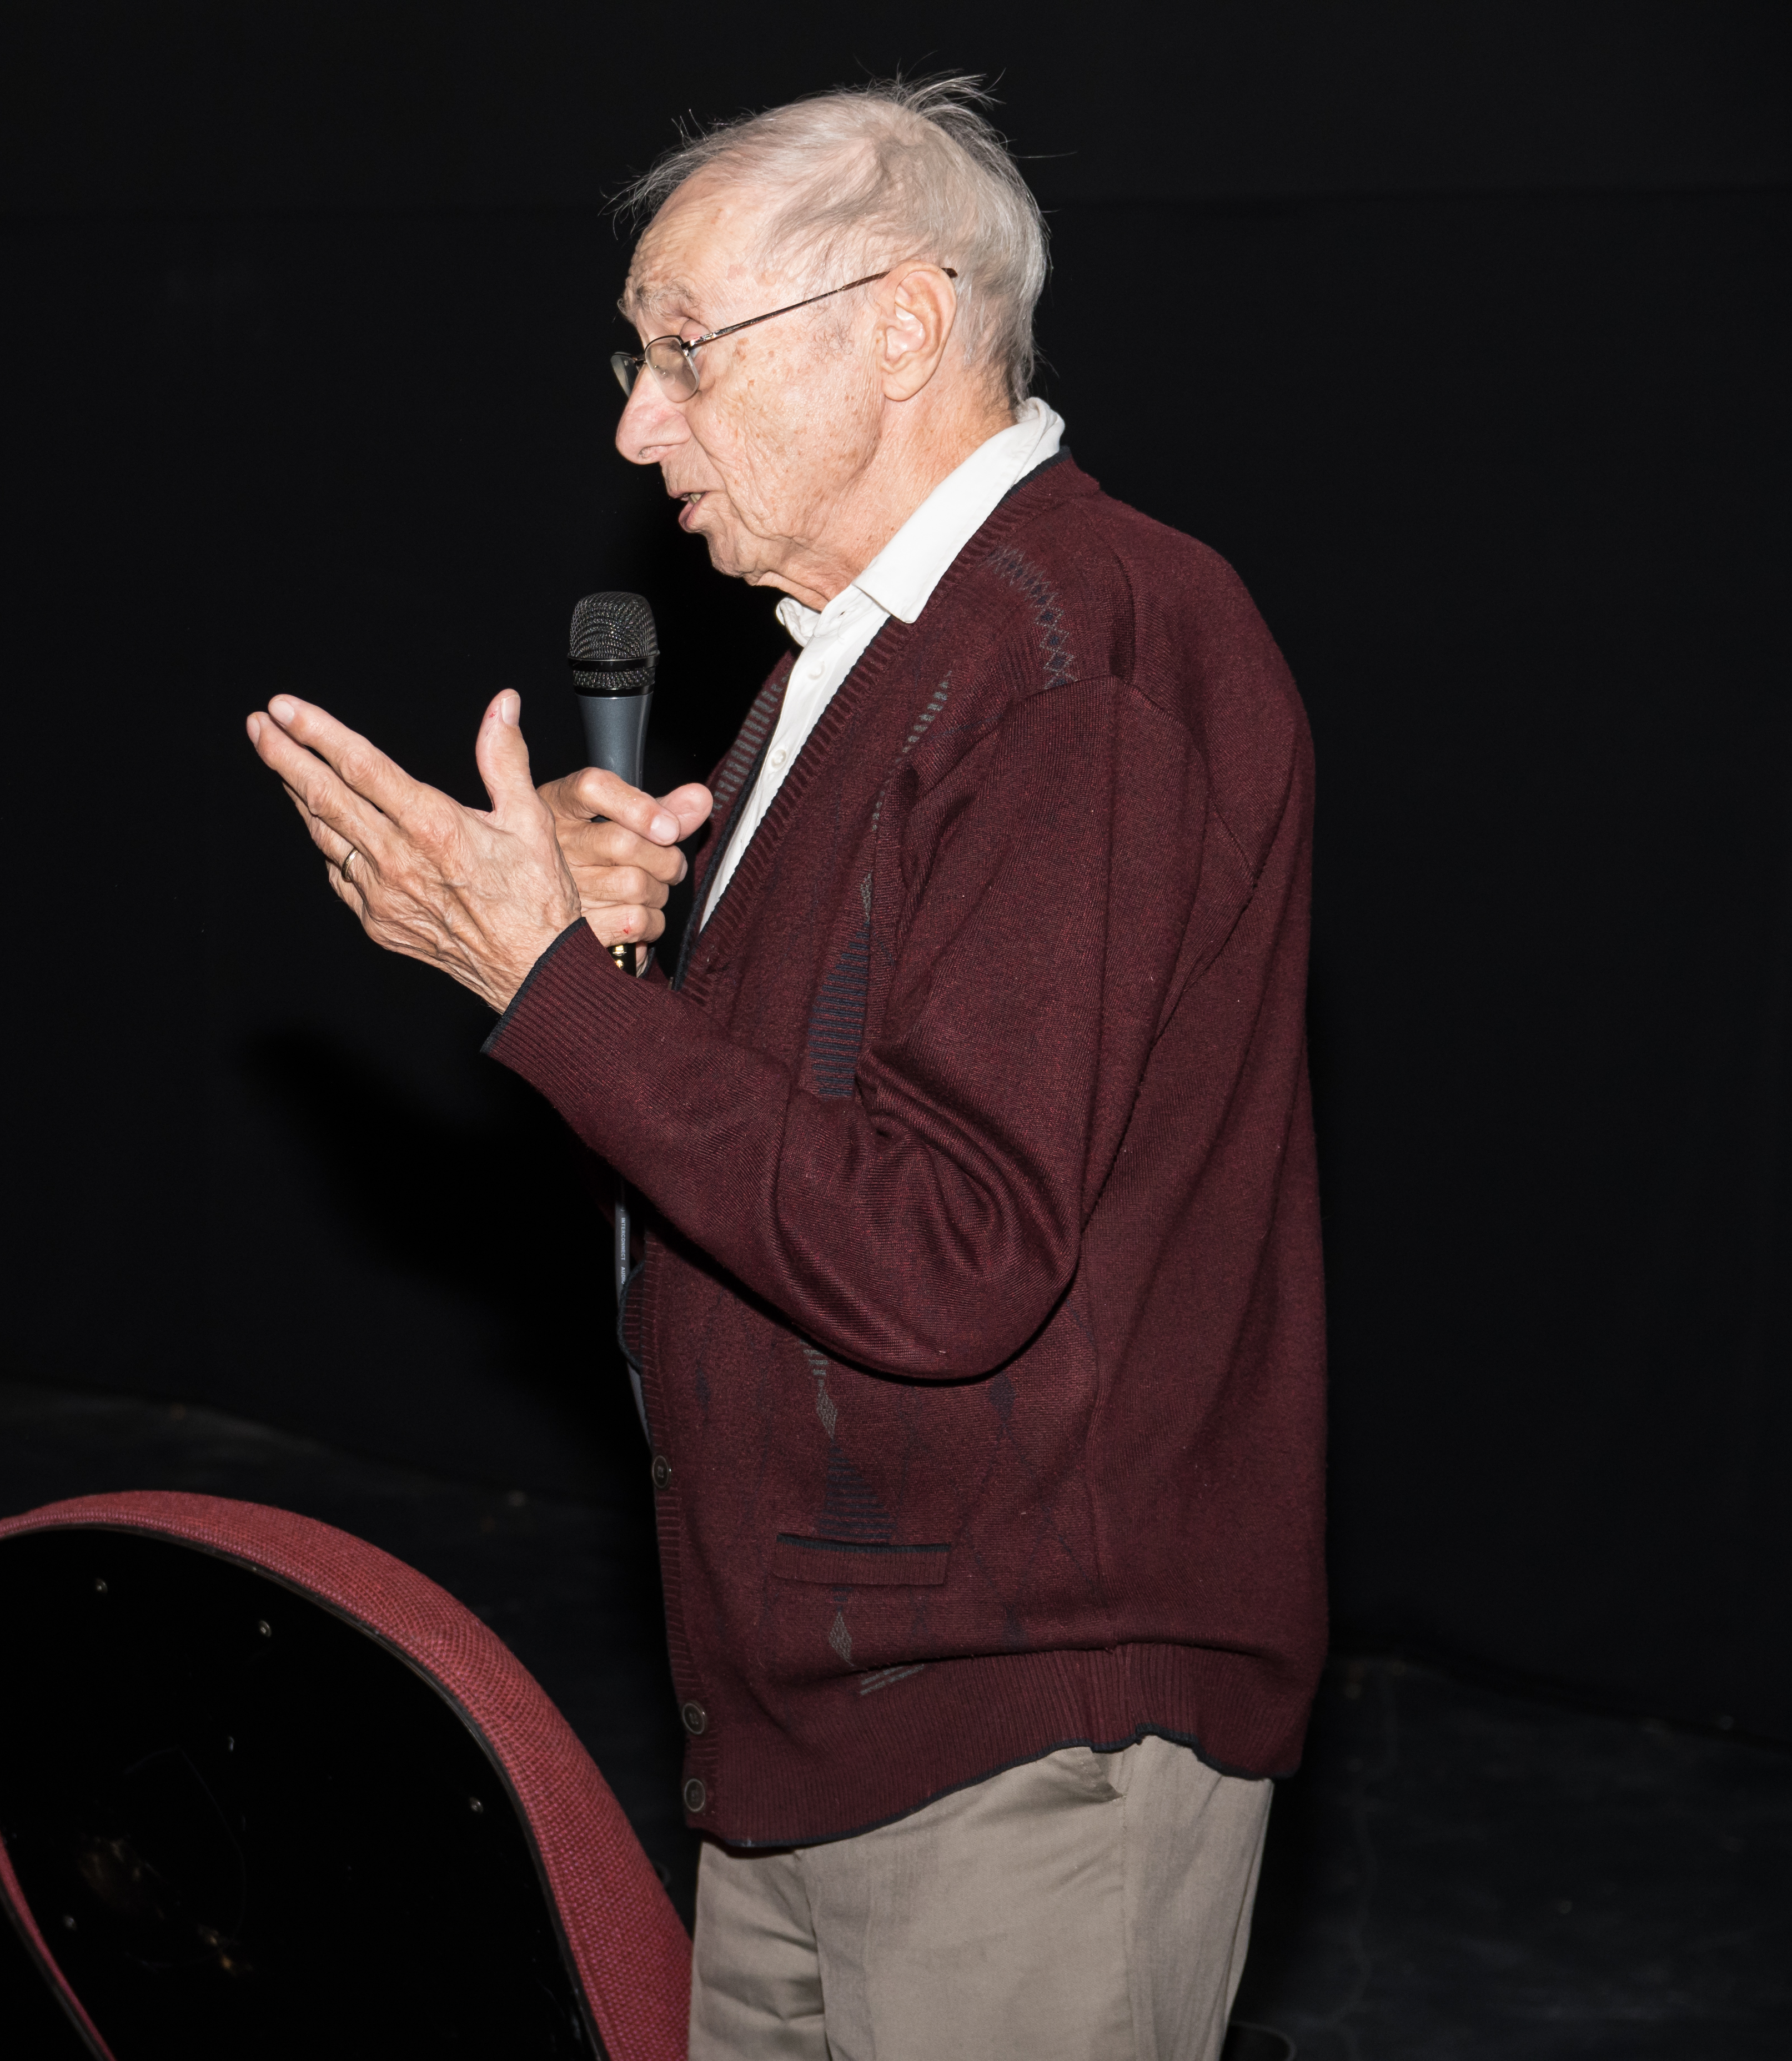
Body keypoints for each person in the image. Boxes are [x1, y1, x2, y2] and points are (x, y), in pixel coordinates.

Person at [243, 77, 1323, 2061]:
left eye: (682, 353)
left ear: (903, 327)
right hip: (818, 1712)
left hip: (1020, 1729)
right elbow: (748, 1202)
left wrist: (551, 989)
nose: (639, 423)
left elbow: (943, 1258)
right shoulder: (853, 663)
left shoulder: (1078, 656)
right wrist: (603, 971)